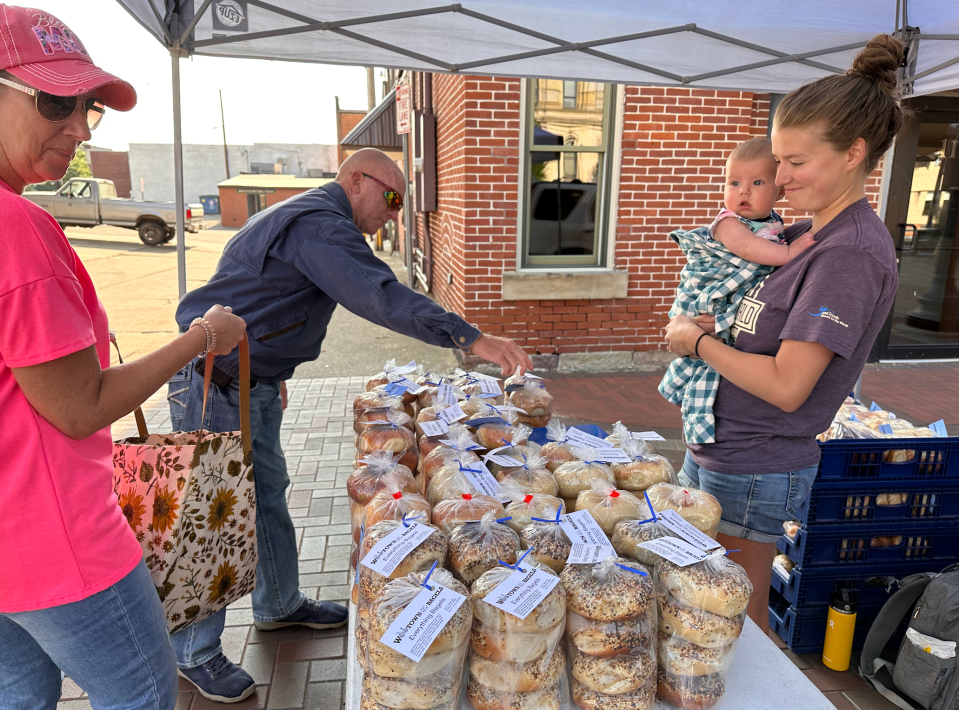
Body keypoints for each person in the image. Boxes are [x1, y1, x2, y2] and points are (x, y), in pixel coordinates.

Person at [169, 147, 533, 701]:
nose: (393, 213)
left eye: (401, 206)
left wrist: (269, 365)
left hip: (248, 377)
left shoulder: (311, 218)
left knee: (266, 495)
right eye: (390, 198)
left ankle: (279, 604)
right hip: (212, 383)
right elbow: (377, 294)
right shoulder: (320, 224)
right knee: (215, 513)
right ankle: (194, 651)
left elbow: (254, 292)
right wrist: (469, 336)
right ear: (356, 180)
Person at [0, 5, 247, 708]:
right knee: (142, 695)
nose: (78, 127)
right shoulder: (18, 226)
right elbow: (79, 408)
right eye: (54, 100)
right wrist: (201, 338)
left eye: (87, 108)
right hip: (58, 543)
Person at [664, 34, 903, 631]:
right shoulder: (806, 234)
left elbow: (789, 385)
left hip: (754, 464)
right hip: (724, 448)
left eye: (796, 163)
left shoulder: (849, 253)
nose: (782, 178)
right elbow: (771, 330)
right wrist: (720, 325)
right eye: (779, 162)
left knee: (725, 624)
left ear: (854, 152)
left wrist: (696, 344)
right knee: (695, 609)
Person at [659, 137, 815, 445]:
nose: (742, 191)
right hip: (707, 293)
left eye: (757, 182)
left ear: (779, 190)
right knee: (700, 355)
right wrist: (788, 254)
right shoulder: (728, 222)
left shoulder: (774, 224)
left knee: (711, 358)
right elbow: (749, 249)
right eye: (733, 182)